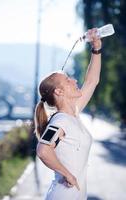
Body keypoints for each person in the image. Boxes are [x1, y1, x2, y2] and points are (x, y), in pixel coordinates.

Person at [34, 28, 102, 200]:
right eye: (68, 80)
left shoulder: (72, 114)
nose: (75, 80)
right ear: (59, 91)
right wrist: (67, 174)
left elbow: (92, 81)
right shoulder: (61, 121)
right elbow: (43, 150)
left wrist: (96, 48)